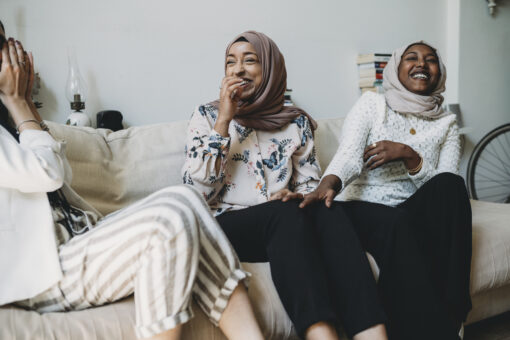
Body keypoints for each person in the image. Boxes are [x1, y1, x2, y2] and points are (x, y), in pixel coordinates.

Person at [0, 23, 264, 340]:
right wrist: (17, 103)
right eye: (2, 45)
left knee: (185, 199)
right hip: (40, 274)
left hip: (75, 244)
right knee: (166, 220)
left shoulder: (12, 123)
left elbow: (58, 179)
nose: (11, 54)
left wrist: (24, 105)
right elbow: (47, 173)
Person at [182, 30, 387, 340]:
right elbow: (198, 192)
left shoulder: (296, 123)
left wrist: (299, 194)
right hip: (222, 227)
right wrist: (224, 120)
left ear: (270, 70)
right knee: (284, 212)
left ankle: (372, 335)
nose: (238, 69)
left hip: (283, 228)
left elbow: (310, 185)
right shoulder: (207, 116)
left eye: (250, 61)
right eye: (230, 62)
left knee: (326, 207)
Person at [301, 41, 472, 340]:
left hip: (408, 209)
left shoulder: (446, 123)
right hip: (360, 207)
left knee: (452, 185)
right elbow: (349, 155)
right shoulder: (372, 104)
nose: (421, 64)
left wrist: (410, 156)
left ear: (439, 72)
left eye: (431, 60)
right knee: (398, 223)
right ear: (395, 67)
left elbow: (442, 190)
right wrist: (327, 184)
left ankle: (455, 310)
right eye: (411, 58)